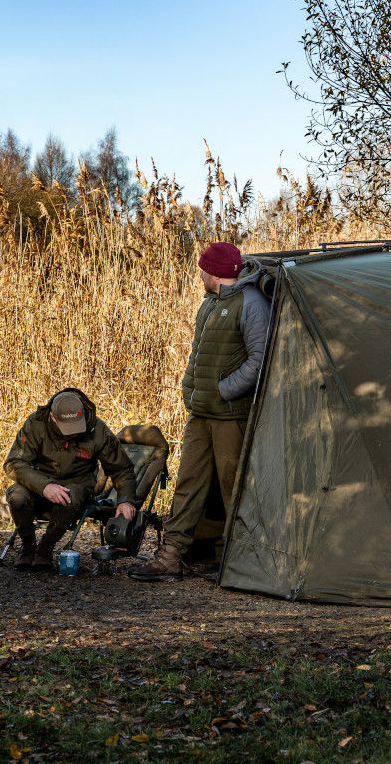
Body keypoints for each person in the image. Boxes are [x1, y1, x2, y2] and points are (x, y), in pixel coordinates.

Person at [128, 242, 269, 582]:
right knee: (187, 484)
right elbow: (198, 355)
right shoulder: (209, 305)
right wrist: (190, 390)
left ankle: (242, 561)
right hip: (200, 413)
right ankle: (170, 557)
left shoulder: (251, 304)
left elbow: (259, 359)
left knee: (232, 487)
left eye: (204, 268)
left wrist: (223, 391)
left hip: (229, 416)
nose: (200, 274)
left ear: (215, 271)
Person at [4, 389, 137, 571]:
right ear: (52, 417)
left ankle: (46, 546)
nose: (73, 433)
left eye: (77, 426)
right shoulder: (36, 424)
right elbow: (14, 463)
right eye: (67, 427)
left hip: (78, 489)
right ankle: (27, 544)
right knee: (16, 494)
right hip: (39, 486)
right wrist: (45, 486)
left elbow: (122, 468)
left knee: (72, 494)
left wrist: (125, 500)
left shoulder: (97, 429)